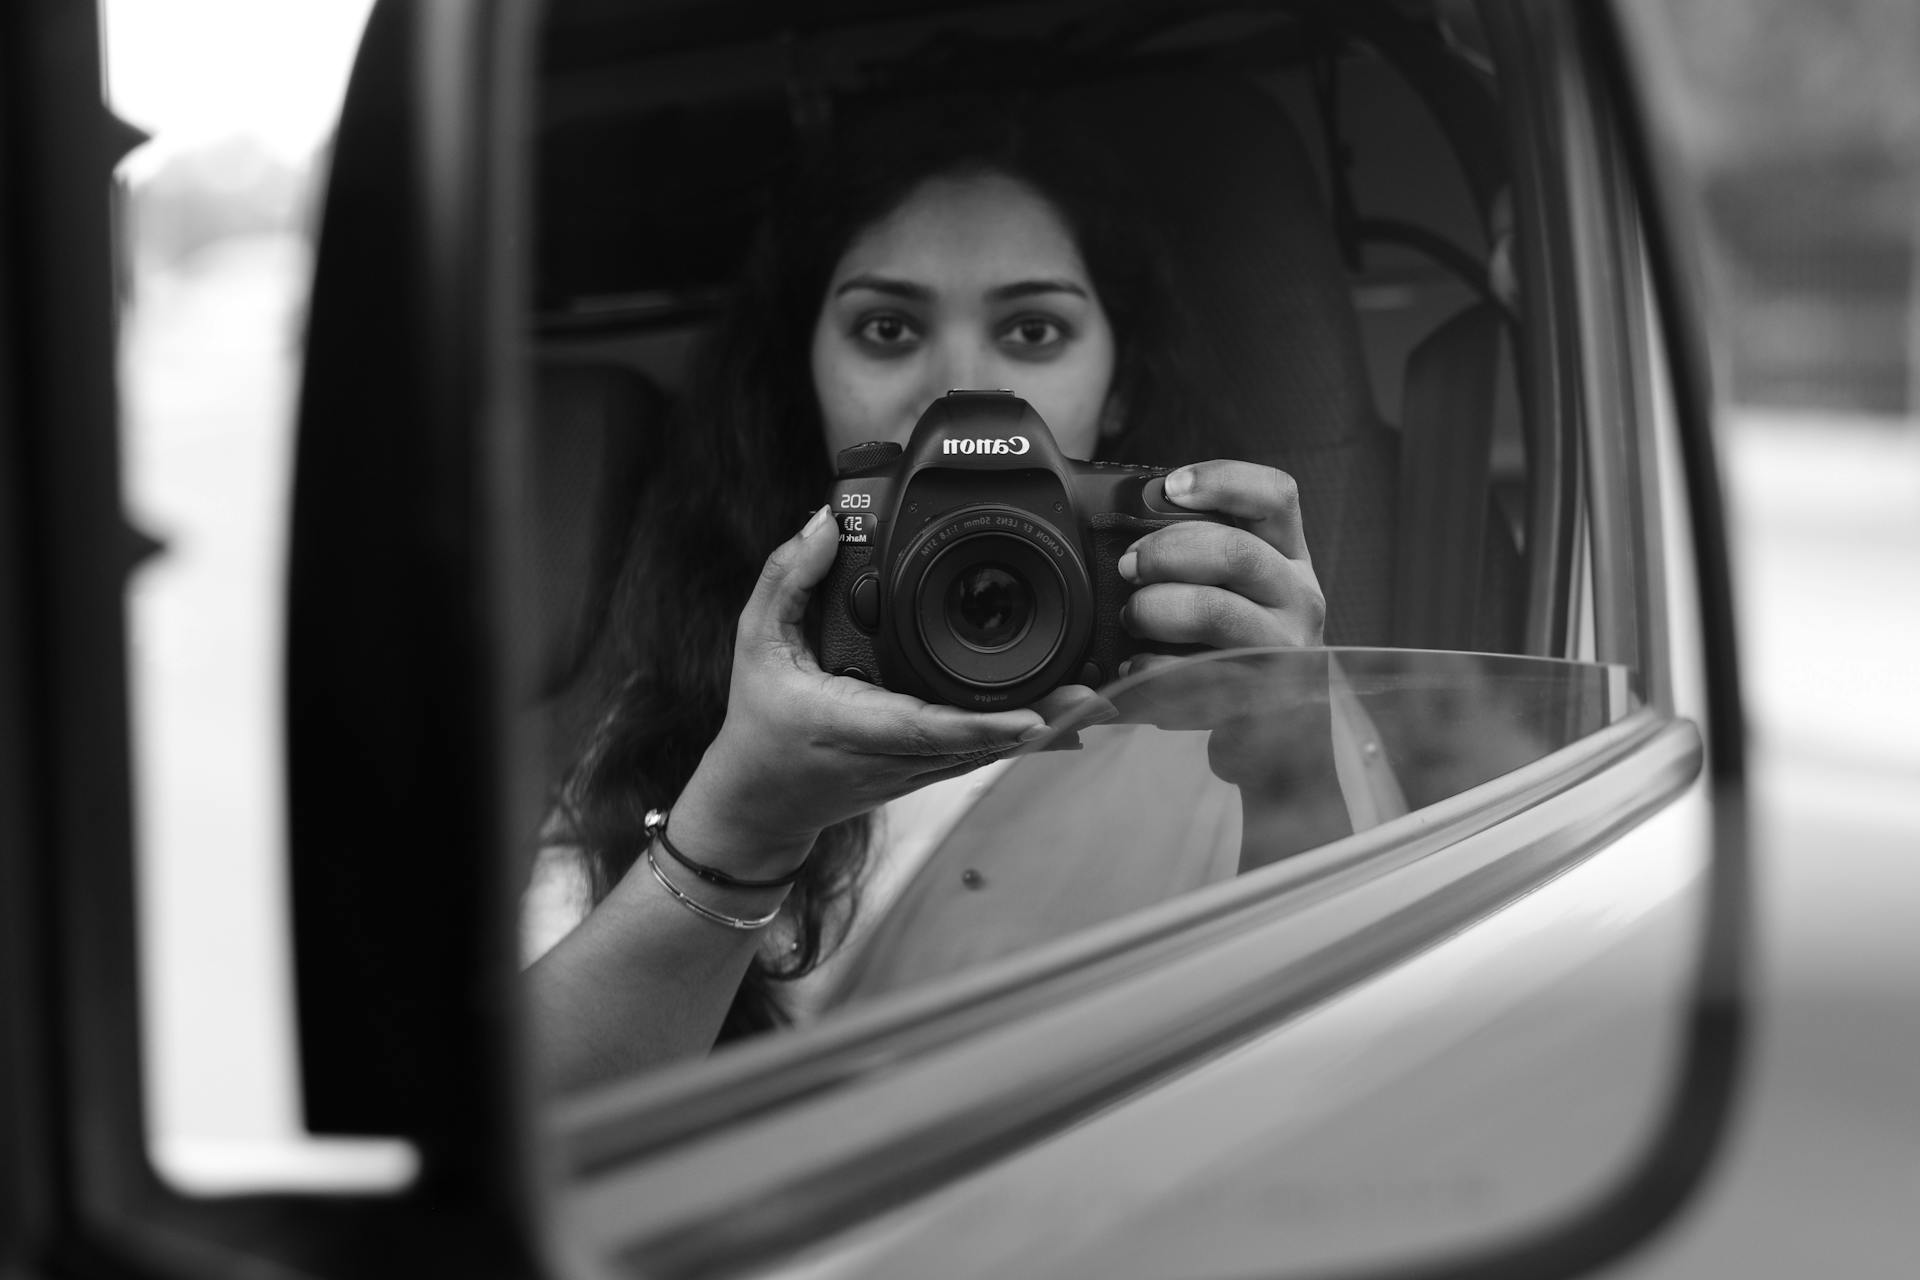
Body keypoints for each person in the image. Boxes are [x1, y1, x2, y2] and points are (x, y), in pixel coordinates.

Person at [525, 97, 1327, 1091]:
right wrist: (745, 813)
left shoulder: (1195, 669)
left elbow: (1376, 1059)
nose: (957, 390)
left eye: (1033, 329)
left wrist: (1289, 752)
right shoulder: (699, 697)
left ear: (1118, 385)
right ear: (802, 375)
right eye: (888, 327)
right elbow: (532, 1116)